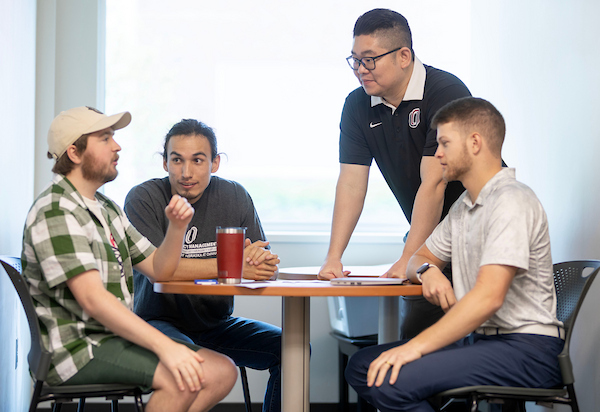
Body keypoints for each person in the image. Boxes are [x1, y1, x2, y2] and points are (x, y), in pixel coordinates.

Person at [345, 97, 565, 412]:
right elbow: (417, 259)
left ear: (475, 143)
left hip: (526, 349)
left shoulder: (511, 202)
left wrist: (414, 349)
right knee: (362, 365)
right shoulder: (465, 206)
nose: (437, 154)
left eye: (445, 143)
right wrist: (427, 271)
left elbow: (488, 298)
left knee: (388, 379)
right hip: (482, 341)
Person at [21, 106, 237, 412]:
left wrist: (176, 228)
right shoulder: (56, 210)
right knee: (184, 377)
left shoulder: (106, 209)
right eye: (105, 138)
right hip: (77, 351)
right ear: (75, 153)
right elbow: (94, 300)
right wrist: (165, 347)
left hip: (108, 340)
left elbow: (159, 270)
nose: (117, 145)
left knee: (222, 371)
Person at [318, 8, 472, 339]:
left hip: (477, 230)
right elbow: (351, 185)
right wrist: (333, 256)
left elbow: (434, 183)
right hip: (430, 237)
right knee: (415, 334)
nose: (360, 70)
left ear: (404, 56)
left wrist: (409, 258)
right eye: (355, 60)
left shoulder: (445, 91)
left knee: (465, 333)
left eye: (370, 60)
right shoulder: (358, 105)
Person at [124, 119, 282, 412]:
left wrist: (264, 263)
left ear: (215, 163)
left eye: (198, 160)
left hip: (216, 324)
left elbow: (260, 262)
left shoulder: (235, 195)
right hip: (157, 322)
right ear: (164, 163)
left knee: (291, 349)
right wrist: (232, 266)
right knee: (195, 368)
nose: (186, 172)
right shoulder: (143, 198)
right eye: (177, 160)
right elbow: (162, 272)